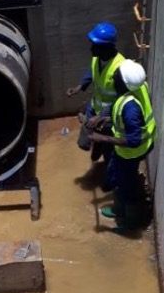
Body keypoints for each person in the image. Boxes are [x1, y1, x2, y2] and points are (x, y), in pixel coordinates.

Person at [87, 59, 157, 229]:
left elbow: (133, 140)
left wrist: (102, 139)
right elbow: (125, 116)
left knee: (126, 185)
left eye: (117, 74)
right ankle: (120, 209)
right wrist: (104, 118)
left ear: (123, 82)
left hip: (131, 152)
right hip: (143, 145)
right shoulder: (138, 87)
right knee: (122, 178)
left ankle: (129, 223)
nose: (115, 74)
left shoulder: (130, 107)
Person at [66, 22, 126, 164]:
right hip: (94, 107)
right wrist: (79, 87)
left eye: (95, 44)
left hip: (107, 115)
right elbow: (92, 72)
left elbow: (121, 99)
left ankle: (104, 158)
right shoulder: (97, 58)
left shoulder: (120, 69)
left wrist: (101, 116)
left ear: (106, 47)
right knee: (85, 141)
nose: (91, 48)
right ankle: (96, 147)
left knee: (107, 145)